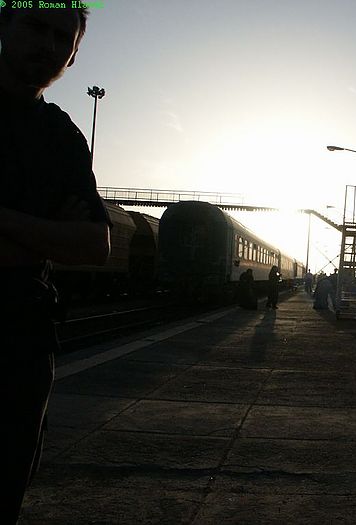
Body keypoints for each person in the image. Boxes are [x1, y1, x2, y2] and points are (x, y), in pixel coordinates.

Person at [0, 5, 111, 522]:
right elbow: (69, 242)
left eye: (62, 37)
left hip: (19, 343)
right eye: (35, 26)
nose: (48, 45)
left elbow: (94, 246)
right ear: (4, 24)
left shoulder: (61, 135)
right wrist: (44, 234)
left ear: (73, 54)